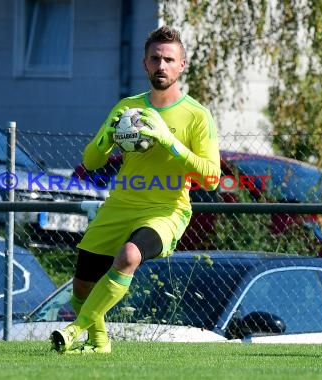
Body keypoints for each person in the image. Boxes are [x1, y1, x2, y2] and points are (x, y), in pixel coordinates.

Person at [50, 25, 221, 354]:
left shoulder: (198, 116)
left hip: (166, 211)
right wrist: (107, 137)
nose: (162, 65)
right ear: (144, 63)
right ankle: (100, 343)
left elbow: (212, 178)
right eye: (155, 58)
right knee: (81, 288)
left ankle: (74, 331)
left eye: (169, 59)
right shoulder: (127, 108)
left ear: (182, 66)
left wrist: (169, 142)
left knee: (129, 255)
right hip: (119, 206)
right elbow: (91, 160)